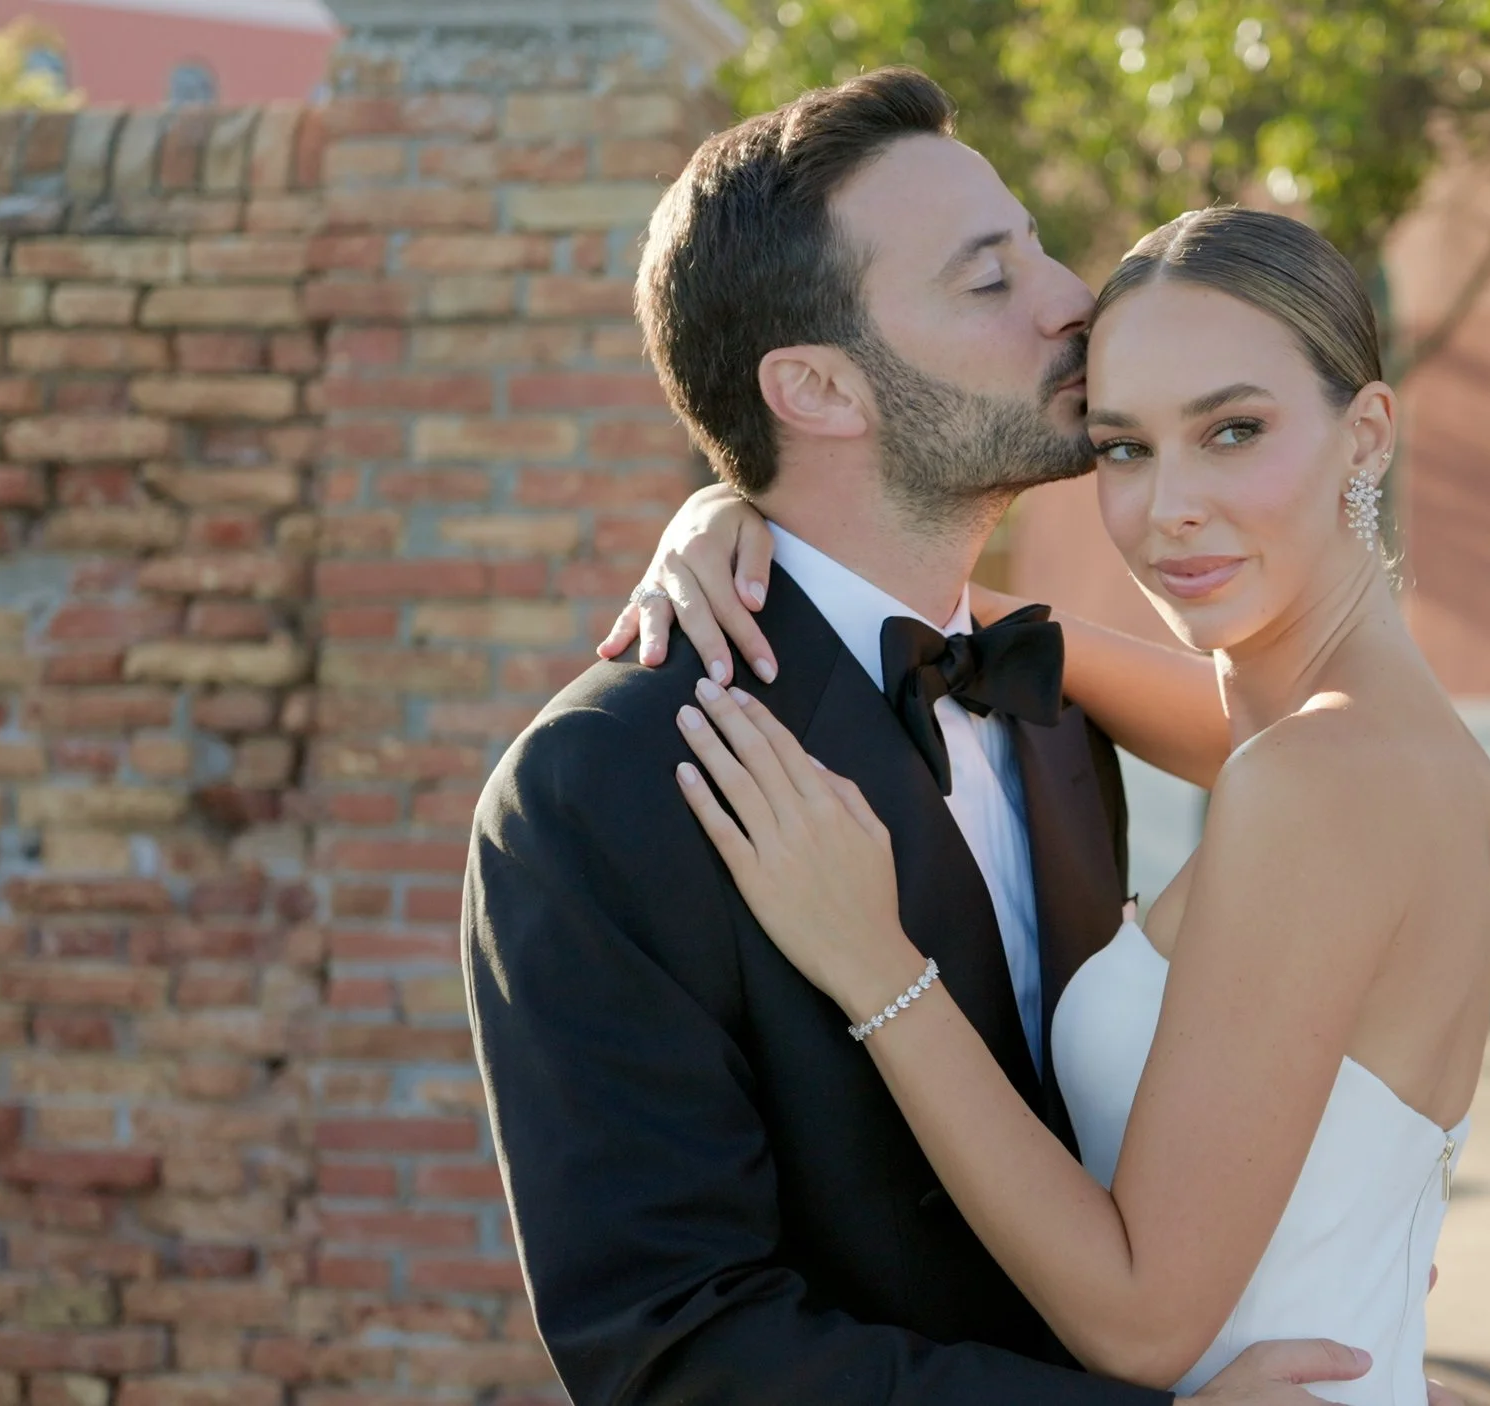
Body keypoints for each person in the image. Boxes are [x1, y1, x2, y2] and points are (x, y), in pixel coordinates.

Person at [464, 67, 1436, 1406]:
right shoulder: (603, 786)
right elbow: (673, 1349)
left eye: (1038, 246)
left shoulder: (1047, 710)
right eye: (990, 281)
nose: (1071, 302)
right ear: (816, 386)